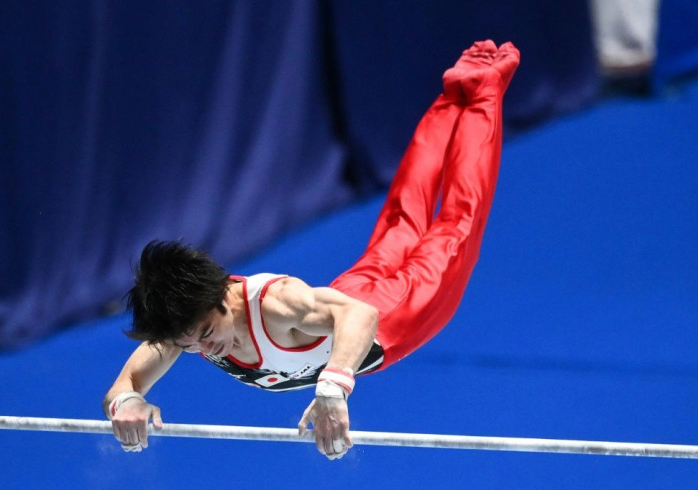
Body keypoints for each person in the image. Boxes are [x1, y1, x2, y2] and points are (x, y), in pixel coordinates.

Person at [103, 40, 520, 460]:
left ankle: (483, 92)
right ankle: (453, 94)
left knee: (457, 222)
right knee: (403, 218)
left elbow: (361, 315)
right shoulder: (185, 325)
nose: (200, 349)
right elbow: (125, 385)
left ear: (221, 297)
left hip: (397, 318)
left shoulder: (275, 305)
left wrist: (333, 389)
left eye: (207, 334)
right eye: (187, 343)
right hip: (353, 290)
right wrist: (126, 402)